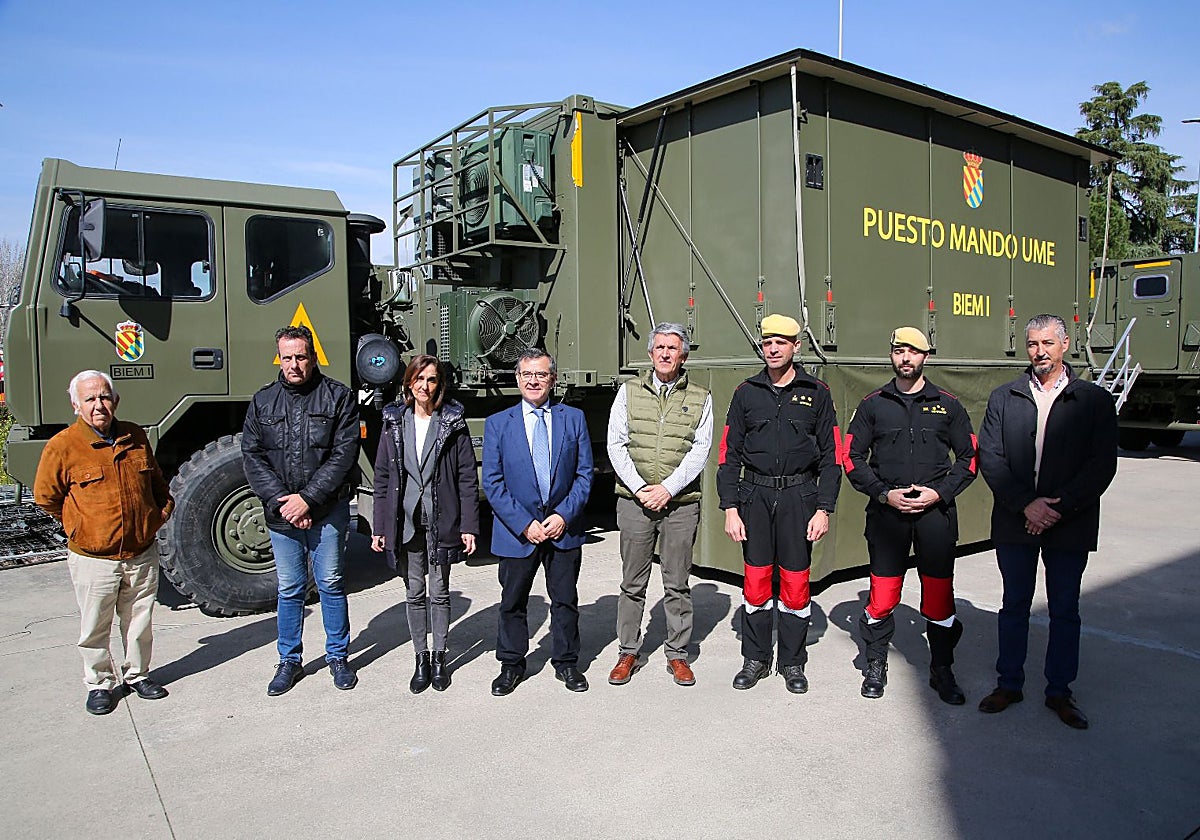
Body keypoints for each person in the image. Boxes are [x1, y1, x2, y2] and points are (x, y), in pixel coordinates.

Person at [976, 314, 1118, 729]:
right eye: (1033, 344)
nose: (1039, 352)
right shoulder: (1005, 397)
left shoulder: (1093, 400)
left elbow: (1101, 464)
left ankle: (1059, 692)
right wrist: (1027, 505)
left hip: (1069, 522)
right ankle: (1009, 684)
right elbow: (991, 457)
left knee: (1065, 609)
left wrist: (1058, 508)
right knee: (1014, 605)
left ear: (1065, 345)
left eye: (1047, 343)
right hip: (1015, 520)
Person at [844, 327, 978, 704]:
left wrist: (939, 493)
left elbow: (969, 458)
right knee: (883, 596)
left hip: (935, 514)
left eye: (913, 351)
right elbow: (851, 457)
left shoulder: (948, 405)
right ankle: (875, 663)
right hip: (888, 515)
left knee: (938, 598)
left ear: (926, 357)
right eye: (899, 351)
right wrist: (884, 494)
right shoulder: (873, 405)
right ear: (891, 355)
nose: (906, 358)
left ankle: (942, 668)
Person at [34, 370, 175, 715]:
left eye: (104, 397)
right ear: (76, 405)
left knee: (139, 621)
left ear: (115, 400)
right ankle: (99, 684)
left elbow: (157, 483)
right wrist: (80, 526)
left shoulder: (135, 436)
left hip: (140, 552)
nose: (98, 405)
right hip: (94, 558)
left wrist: (158, 515)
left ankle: (138, 675)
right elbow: (46, 496)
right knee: (95, 626)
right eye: (90, 399)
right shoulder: (63, 446)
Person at [717, 314, 841, 693]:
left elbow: (832, 457)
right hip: (754, 497)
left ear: (796, 347)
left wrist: (824, 508)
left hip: (798, 498)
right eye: (767, 342)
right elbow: (728, 454)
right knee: (756, 584)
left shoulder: (816, 392)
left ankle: (792, 662)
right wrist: (730, 508)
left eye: (780, 342)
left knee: (795, 584)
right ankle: (755, 658)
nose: (772, 349)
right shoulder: (746, 393)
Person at [242, 325, 361, 696]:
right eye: (287, 357)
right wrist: (285, 502)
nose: (294, 365)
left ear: (313, 357)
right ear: (279, 358)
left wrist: (308, 499)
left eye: (301, 357)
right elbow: (252, 456)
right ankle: (289, 660)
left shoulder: (338, 397)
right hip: (282, 514)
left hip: (328, 510)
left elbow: (344, 454)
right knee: (291, 588)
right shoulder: (263, 401)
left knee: (331, 583)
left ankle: (338, 657)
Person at [606, 323, 713, 686]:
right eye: (660, 347)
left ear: (683, 355)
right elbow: (616, 444)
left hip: (680, 504)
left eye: (673, 348)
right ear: (650, 353)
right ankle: (628, 651)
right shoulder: (628, 391)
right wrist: (639, 488)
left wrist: (667, 489)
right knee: (632, 583)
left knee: (677, 582)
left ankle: (678, 654)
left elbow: (700, 450)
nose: (666, 353)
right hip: (634, 502)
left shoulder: (700, 396)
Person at [482, 348, 593, 695]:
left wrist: (563, 515)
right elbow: (493, 482)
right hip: (518, 534)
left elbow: (584, 474)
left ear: (553, 379)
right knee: (513, 602)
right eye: (527, 374)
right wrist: (524, 523)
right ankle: (511, 664)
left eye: (541, 374)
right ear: (517, 379)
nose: (534, 381)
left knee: (565, 600)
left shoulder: (573, 419)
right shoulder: (498, 423)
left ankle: (567, 662)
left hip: (563, 529)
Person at [371, 355, 480, 693]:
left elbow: (466, 478)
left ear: (439, 384)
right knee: (414, 591)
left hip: (441, 520)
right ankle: (420, 657)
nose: (425, 386)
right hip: (406, 521)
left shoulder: (452, 422)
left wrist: (469, 526)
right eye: (419, 379)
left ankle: (439, 657)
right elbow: (383, 478)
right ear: (409, 382)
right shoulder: (394, 421)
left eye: (431, 380)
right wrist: (380, 527)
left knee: (440, 591)